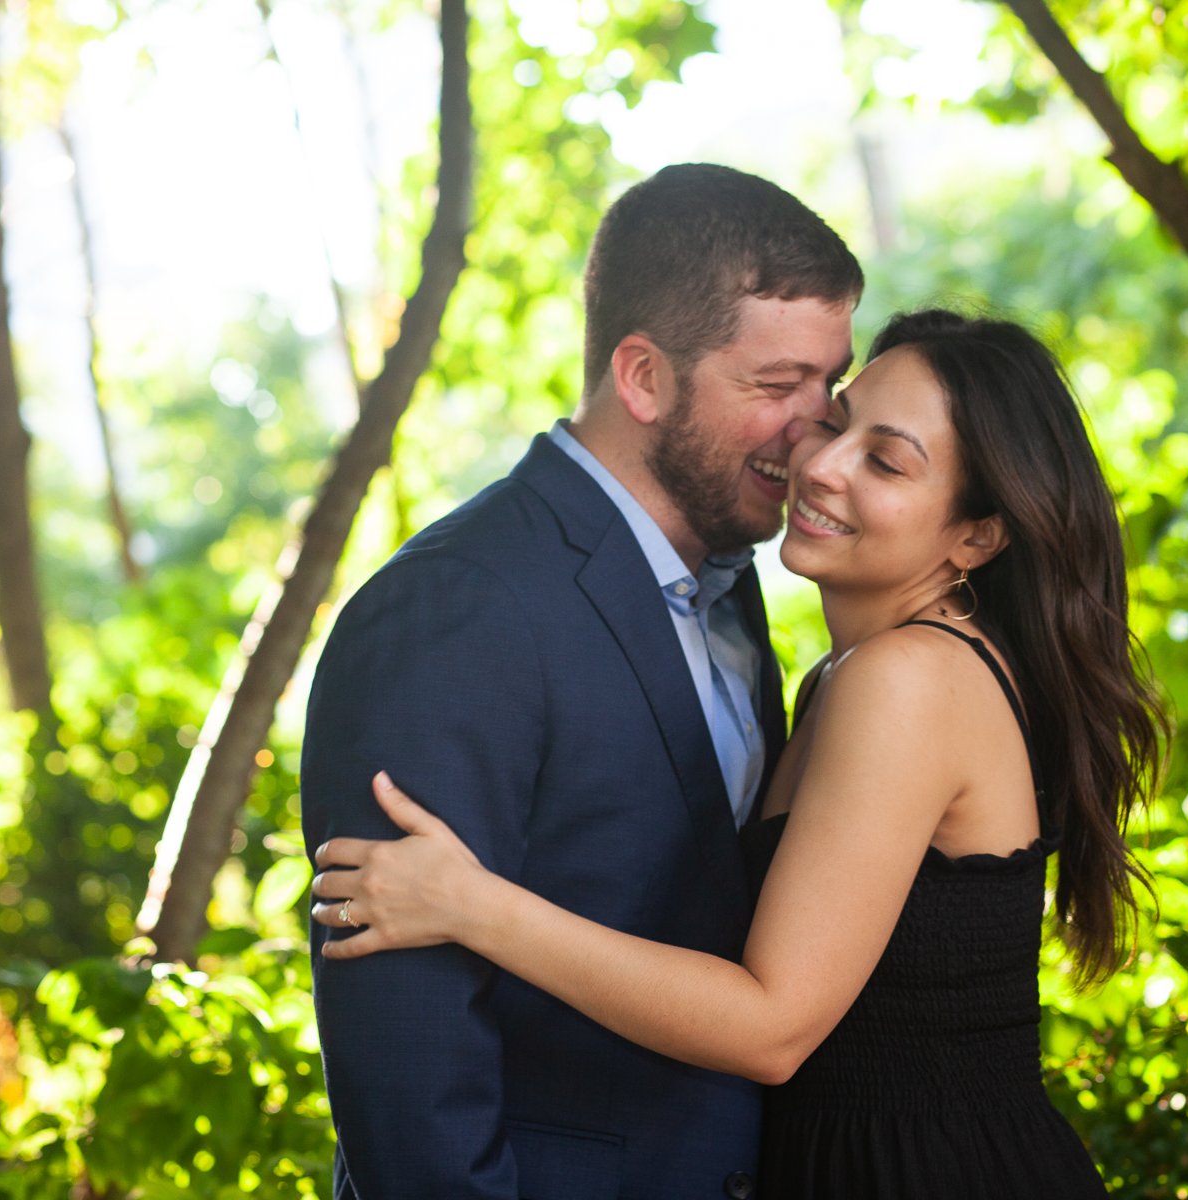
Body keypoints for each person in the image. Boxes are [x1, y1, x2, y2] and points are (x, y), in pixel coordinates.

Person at [311, 309, 1169, 1198]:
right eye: (837, 424)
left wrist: (474, 905)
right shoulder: (843, 674)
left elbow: (770, 1026)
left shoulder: (910, 679)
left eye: (885, 460)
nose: (822, 465)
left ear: (977, 535)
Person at [300, 163, 861, 1199]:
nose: (818, 432)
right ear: (643, 377)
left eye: (830, 384)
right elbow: (407, 1070)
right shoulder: (454, 610)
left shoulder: (731, 588)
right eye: (777, 387)